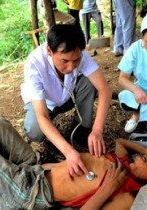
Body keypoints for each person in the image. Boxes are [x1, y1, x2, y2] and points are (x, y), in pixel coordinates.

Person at [0, 116, 147, 210]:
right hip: (34, 167)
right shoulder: (121, 164)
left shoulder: (126, 194)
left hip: (28, 192)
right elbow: (121, 141)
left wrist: (108, 187)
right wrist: (144, 148)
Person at [20, 24, 112, 178]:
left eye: (76, 60)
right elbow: (42, 115)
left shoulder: (80, 54)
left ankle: (81, 130)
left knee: (89, 83)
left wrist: (97, 130)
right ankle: (55, 139)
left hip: (68, 97)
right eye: (64, 61)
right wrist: (68, 151)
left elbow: (104, 89)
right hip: (45, 104)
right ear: (49, 51)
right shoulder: (34, 64)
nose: (70, 67)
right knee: (35, 131)